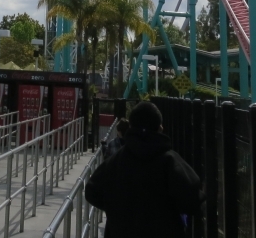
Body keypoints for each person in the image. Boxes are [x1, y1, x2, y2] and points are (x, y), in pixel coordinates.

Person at [85, 101, 202, 237]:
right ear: (160, 128)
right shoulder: (170, 161)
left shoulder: (115, 161)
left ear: (131, 127)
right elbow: (193, 199)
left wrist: (118, 209)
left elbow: (92, 192)